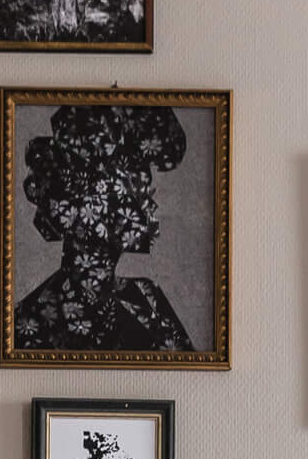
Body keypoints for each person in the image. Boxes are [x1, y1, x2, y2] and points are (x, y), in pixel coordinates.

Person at [14, 101, 192, 353]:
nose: (150, 199)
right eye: (136, 178)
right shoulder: (29, 322)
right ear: (83, 199)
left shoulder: (145, 295)